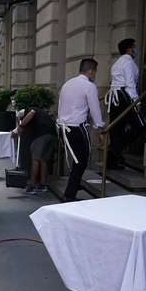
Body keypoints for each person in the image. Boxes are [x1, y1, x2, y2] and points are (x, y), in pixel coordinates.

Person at [57, 59, 105, 202]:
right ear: (90, 71)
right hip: (77, 128)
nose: (95, 74)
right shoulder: (89, 86)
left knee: (78, 161)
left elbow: (60, 106)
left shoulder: (67, 84)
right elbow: (94, 108)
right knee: (81, 161)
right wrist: (100, 126)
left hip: (64, 127)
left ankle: (73, 187)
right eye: (95, 71)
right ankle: (69, 194)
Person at [105, 38, 143, 169]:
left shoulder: (117, 63)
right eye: (134, 47)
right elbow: (130, 83)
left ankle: (113, 158)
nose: (135, 50)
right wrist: (136, 101)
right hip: (123, 96)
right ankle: (114, 151)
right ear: (129, 49)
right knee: (140, 125)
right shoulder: (128, 62)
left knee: (117, 128)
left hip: (115, 97)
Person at [18, 105, 56, 195]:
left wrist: (21, 125)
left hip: (41, 136)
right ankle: (43, 185)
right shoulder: (42, 112)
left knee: (35, 160)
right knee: (44, 160)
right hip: (51, 135)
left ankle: (32, 184)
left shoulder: (31, 109)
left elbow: (31, 114)